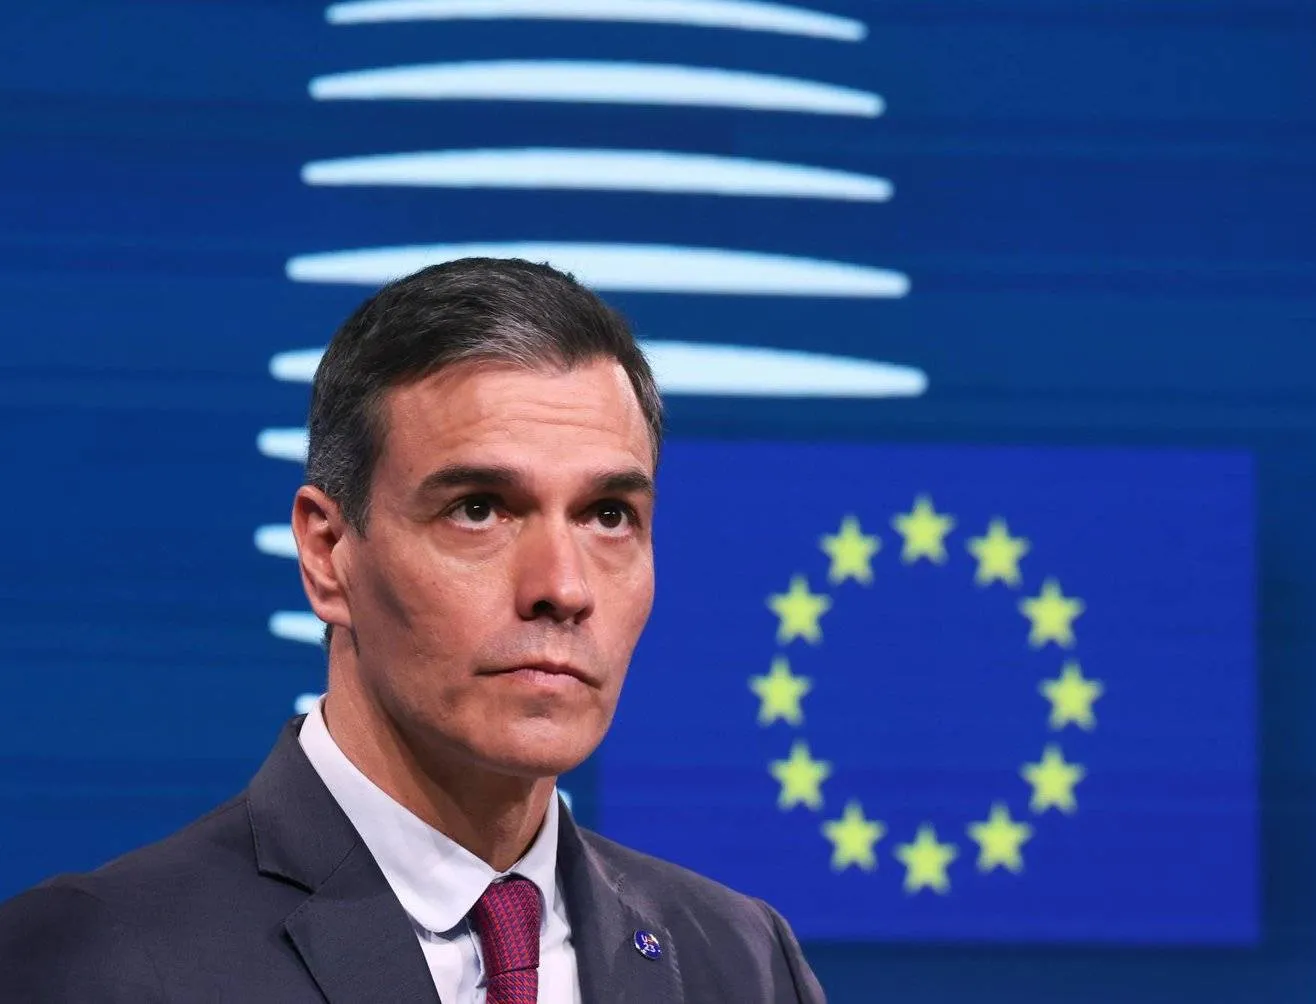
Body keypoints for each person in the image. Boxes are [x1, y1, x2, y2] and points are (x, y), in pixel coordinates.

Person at [0, 258, 827, 1003]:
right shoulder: (103, 961)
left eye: (609, 515)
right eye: (479, 510)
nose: (563, 589)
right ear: (328, 555)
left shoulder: (741, 962)